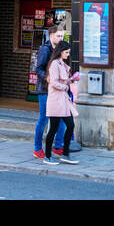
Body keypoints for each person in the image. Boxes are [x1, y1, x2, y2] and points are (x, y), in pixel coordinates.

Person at [42, 42, 80, 165]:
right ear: (60, 52)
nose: (68, 55)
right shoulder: (54, 64)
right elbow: (53, 82)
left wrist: (72, 80)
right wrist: (65, 87)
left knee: (70, 125)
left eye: (68, 52)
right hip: (56, 101)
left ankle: (65, 154)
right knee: (53, 129)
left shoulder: (62, 64)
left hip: (63, 101)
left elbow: (63, 80)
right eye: (66, 52)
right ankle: (47, 156)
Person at [32, 26, 67, 160]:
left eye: (62, 36)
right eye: (58, 36)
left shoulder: (59, 50)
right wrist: (48, 77)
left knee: (62, 119)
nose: (60, 38)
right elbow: (38, 69)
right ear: (51, 36)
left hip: (57, 89)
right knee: (44, 119)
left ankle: (57, 147)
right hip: (45, 90)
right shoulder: (45, 50)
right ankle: (37, 149)